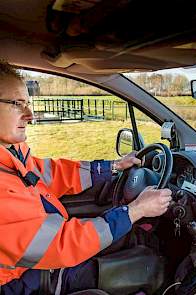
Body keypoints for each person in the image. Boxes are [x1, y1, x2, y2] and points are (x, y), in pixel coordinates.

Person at [0, 61, 172, 294]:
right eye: (17, 104)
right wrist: (135, 211)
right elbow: (60, 245)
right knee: (149, 270)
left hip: (34, 261)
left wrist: (113, 166)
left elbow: (48, 173)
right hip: (20, 281)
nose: (29, 115)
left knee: (134, 240)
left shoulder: (11, 155)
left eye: (28, 104)